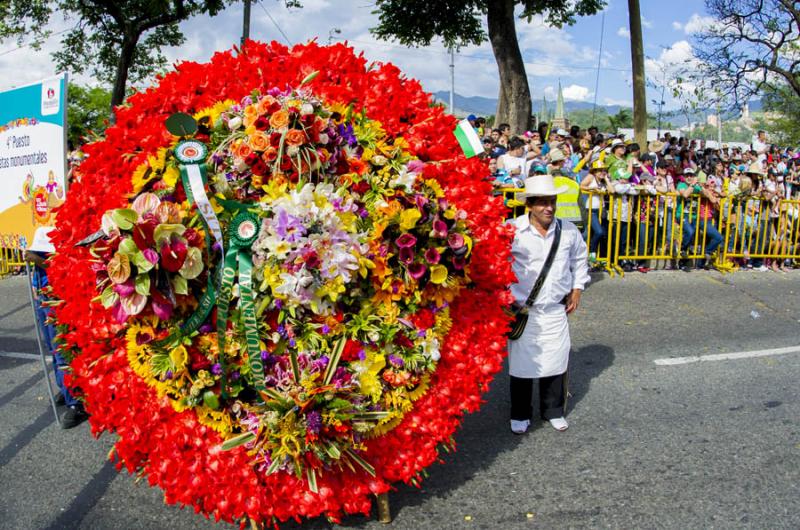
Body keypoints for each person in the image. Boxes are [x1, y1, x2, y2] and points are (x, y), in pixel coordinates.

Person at [507, 175, 590, 434]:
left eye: (552, 201)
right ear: (529, 204)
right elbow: (495, 264)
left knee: (556, 361)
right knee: (521, 365)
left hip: (555, 308)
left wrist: (577, 288)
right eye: (542, 202)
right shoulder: (512, 229)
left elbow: (580, 258)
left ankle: (553, 410)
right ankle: (520, 413)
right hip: (523, 311)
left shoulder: (568, 230)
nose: (549, 208)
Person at [25, 227, 88, 429]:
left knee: (61, 352)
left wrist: (36, 259)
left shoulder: (59, 245)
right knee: (52, 348)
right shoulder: (41, 234)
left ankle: (76, 403)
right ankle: (65, 387)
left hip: (57, 299)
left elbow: (57, 266)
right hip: (43, 299)